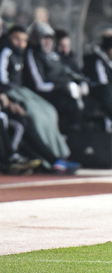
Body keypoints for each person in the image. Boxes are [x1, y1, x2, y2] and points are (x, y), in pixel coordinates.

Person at [0, 25, 79, 173]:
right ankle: (43, 160)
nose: (20, 43)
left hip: (19, 92)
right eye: (16, 40)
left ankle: (56, 156)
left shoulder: (19, 53)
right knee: (30, 118)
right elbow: (3, 80)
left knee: (49, 112)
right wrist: (7, 99)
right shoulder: (6, 51)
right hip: (11, 93)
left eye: (23, 40)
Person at [22, 22, 87, 132]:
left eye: (50, 39)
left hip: (63, 94)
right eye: (44, 39)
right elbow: (40, 85)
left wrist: (80, 82)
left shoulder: (53, 56)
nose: (48, 42)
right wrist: (63, 86)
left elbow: (66, 73)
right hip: (44, 97)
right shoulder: (33, 55)